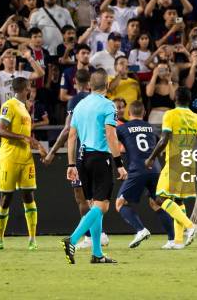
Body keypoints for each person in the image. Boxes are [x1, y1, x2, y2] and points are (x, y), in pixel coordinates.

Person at [61, 69, 127, 264]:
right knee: (102, 206)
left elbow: (71, 136)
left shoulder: (79, 105)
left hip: (82, 158)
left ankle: (97, 254)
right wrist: (119, 164)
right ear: (107, 85)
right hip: (100, 157)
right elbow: (110, 135)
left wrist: (71, 163)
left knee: (93, 205)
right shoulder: (108, 105)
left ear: (89, 85)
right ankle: (72, 239)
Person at [144, 87, 197, 249]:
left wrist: (151, 158)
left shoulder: (170, 115)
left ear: (175, 98)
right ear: (189, 100)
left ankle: (191, 226)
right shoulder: (196, 118)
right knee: (178, 200)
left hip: (175, 162)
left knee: (160, 199)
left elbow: (164, 139)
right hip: (189, 163)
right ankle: (177, 241)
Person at [115, 100, 175, 249]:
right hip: (155, 169)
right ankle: (172, 239)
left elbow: (111, 141)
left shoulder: (123, 128)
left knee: (120, 203)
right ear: (144, 113)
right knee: (157, 203)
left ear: (129, 113)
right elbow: (163, 141)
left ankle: (140, 230)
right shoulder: (151, 128)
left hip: (137, 170)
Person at [0, 77, 41, 251]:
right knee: (6, 197)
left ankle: (32, 239)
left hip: (26, 158)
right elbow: (0, 130)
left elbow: (25, 134)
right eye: (30, 87)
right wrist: (24, 138)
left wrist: (35, 144)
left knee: (29, 195)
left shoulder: (25, 108)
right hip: (10, 158)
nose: (31, 89)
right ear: (26, 88)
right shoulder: (9, 105)